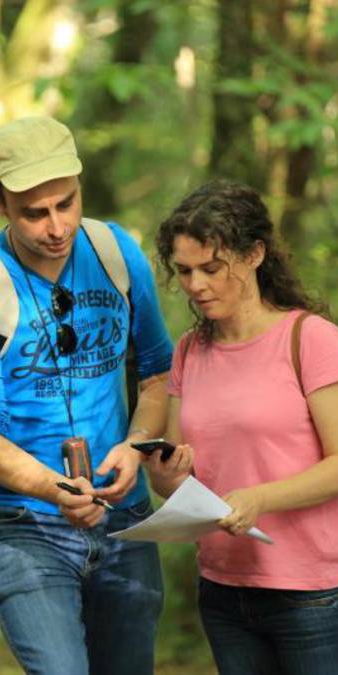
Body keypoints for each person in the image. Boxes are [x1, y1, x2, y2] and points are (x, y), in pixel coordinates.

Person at [0, 116, 187, 675]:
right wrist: (55, 490)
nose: (56, 226)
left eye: (66, 204)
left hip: (122, 513)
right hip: (20, 521)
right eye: (35, 212)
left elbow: (154, 374)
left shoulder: (116, 252)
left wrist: (136, 444)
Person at [149, 179, 338, 675]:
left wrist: (259, 498)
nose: (196, 285)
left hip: (311, 594)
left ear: (254, 255)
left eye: (211, 269)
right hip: (223, 589)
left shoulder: (311, 340)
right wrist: (167, 475)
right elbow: (173, 478)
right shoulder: (189, 349)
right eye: (184, 271)